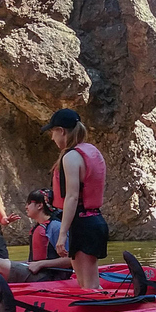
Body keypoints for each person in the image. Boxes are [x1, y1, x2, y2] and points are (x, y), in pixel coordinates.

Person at [42, 108, 109, 289]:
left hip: (84, 223)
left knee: (90, 285)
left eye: (53, 132)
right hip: (92, 221)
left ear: (62, 131)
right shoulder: (89, 151)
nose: (52, 138)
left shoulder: (71, 156)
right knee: (86, 283)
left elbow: (71, 197)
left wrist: (62, 235)